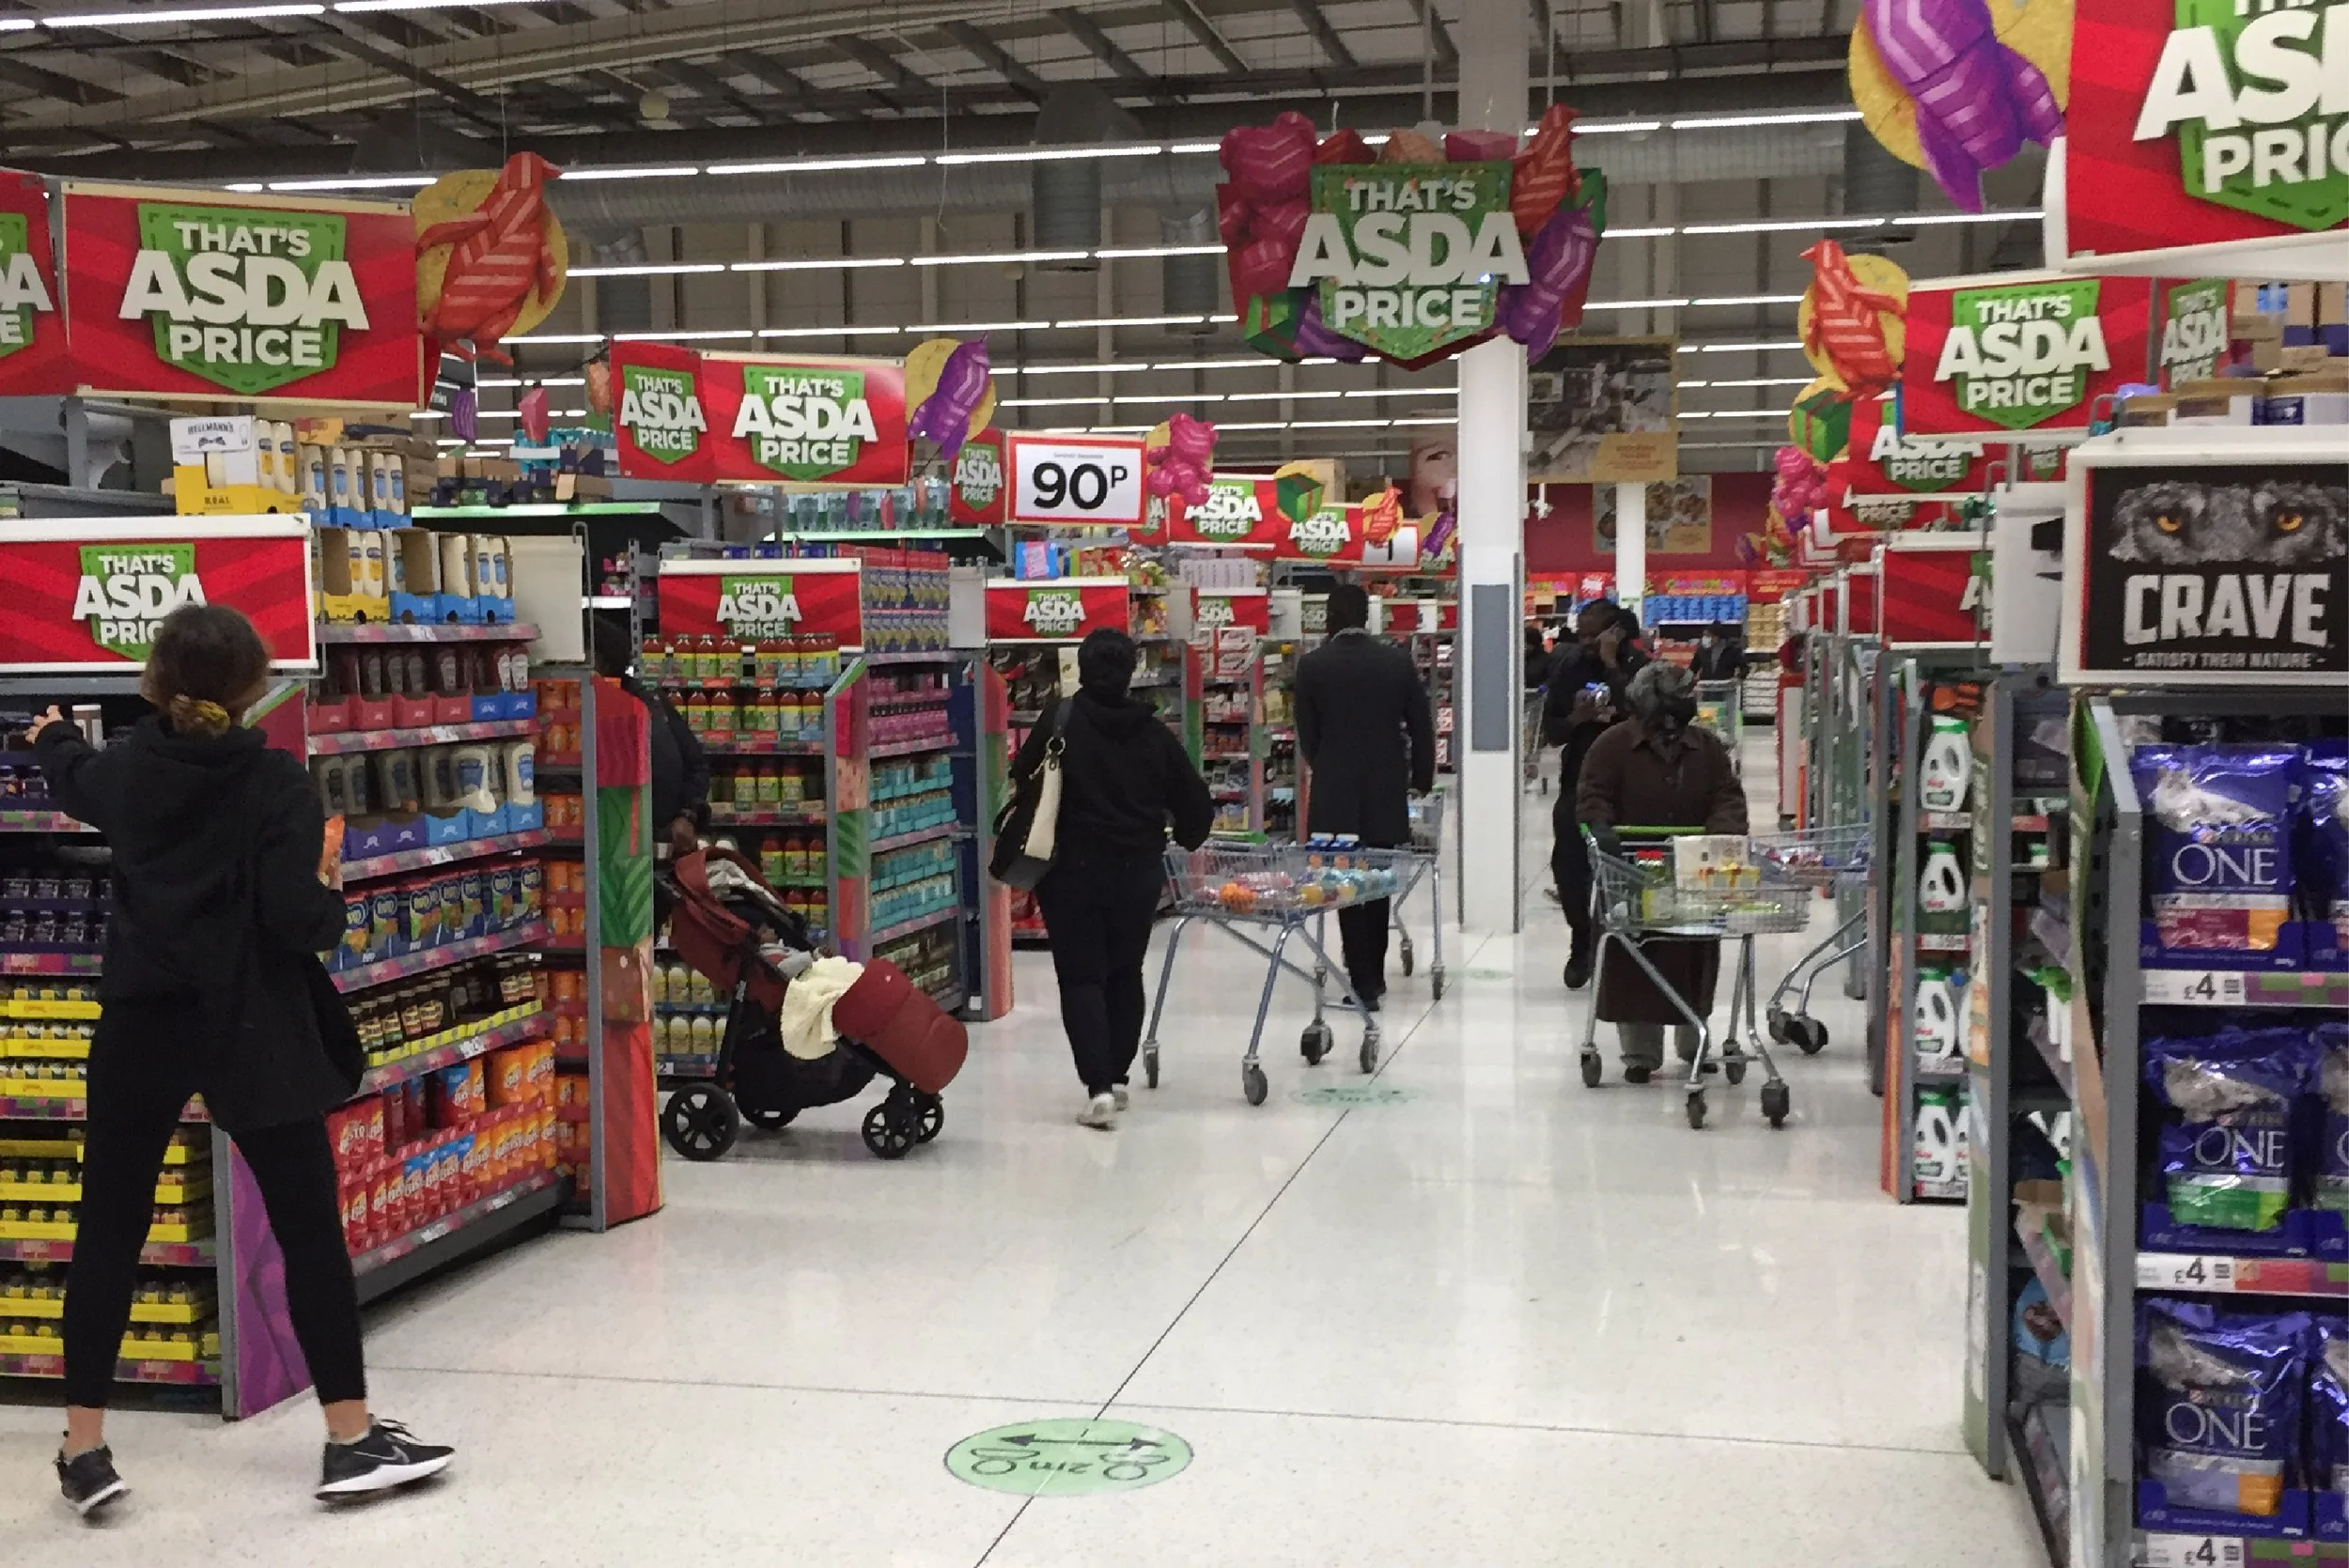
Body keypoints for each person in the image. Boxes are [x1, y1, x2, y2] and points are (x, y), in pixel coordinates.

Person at [26, 604, 454, 1515]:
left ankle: (85, 1448)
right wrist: (333, 900)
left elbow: (76, 780)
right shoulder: (277, 786)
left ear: (156, 681)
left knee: (109, 1223)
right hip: (251, 1022)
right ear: (254, 684)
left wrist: (54, 735)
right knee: (307, 1228)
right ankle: (348, 1437)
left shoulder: (129, 770)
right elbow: (299, 921)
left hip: (143, 1017)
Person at [1011, 629, 1212, 1128]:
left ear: (1081, 667)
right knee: (1125, 973)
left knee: (1081, 977)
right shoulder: (1154, 735)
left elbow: (1022, 776)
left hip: (1069, 874)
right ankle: (1118, 1078)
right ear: (1130, 672)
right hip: (1137, 873)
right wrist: (1179, 834)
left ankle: (1097, 1085)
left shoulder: (1059, 723)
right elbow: (1197, 808)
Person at [1576, 661, 1750, 1081]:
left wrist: (1721, 835)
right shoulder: (1611, 746)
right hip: (1631, 871)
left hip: (1693, 869)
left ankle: (1695, 1042)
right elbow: (1592, 794)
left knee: (1695, 953)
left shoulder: (1706, 748)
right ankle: (1639, 1054)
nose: (1669, 727)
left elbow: (1727, 796)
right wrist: (1602, 830)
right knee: (1631, 957)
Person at [1293, 582, 1436, 1012]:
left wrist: (1330, 765)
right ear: (1367, 619)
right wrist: (1421, 777)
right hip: (1385, 785)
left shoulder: (1312, 666)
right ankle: (1374, 968)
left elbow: (1308, 733)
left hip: (1335, 788)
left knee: (1344, 882)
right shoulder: (1396, 663)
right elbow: (1420, 724)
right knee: (1378, 877)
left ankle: (1362, 979)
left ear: (1330, 619)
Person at [1540, 598, 1649, 987]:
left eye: (1594, 634)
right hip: (1579, 780)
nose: (1585, 642)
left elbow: (1643, 718)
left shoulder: (1639, 669)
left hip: (1629, 784)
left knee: (1625, 868)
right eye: (1582, 633)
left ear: (1615, 633)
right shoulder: (1569, 667)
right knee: (1568, 868)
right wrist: (1577, 718)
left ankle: (1626, 943)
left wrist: (1610, 667)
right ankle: (1580, 938)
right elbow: (1551, 731)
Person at [592, 615, 708, 861]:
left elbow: (695, 764)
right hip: (608, 849)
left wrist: (687, 815)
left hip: (662, 845)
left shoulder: (649, 701)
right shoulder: (578, 709)